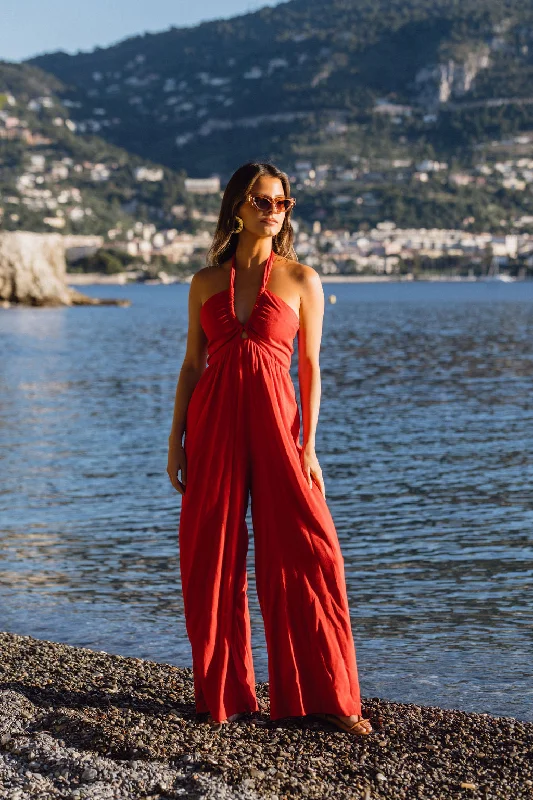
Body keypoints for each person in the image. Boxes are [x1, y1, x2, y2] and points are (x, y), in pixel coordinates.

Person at [167, 161, 372, 736]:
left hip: (280, 428)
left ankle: (325, 697)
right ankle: (222, 694)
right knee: (211, 557)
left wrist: (310, 447)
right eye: (262, 201)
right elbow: (192, 364)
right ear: (237, 205)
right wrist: (175, 440)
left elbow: (310, 371)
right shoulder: (206, 283)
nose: (273, 211)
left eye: (282, 203)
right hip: (213, 426)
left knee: (309, 547)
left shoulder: (303, 280)